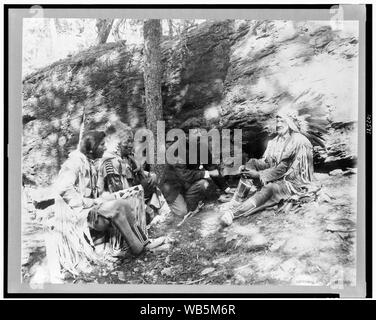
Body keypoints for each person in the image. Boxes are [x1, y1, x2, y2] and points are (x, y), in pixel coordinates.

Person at [54, 130, 146, 256]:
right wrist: (88, 203)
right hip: (78, 214)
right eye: (102, 144)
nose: (105, 147)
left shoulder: (89, 162)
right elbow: (63, 188)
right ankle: (138, 249)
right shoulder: (74, 162)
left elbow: (94, 191)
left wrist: (104, 198)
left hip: (90, 209)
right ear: (91, 149)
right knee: (117, 207)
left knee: (123, 203)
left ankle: (143, 242)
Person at [220, 107, 317, 226]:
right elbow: (268, 163)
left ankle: (233, 213)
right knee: (252, 163)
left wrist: (259, 175)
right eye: (277, 121)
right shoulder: (276, 141)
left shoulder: (298, 141)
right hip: (277, 175)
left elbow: (283, 169)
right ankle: (236, 201)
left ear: (290, 122)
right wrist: (248, 168)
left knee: (271, 188)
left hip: (293, 182)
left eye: (282, 121)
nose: (278, 124)